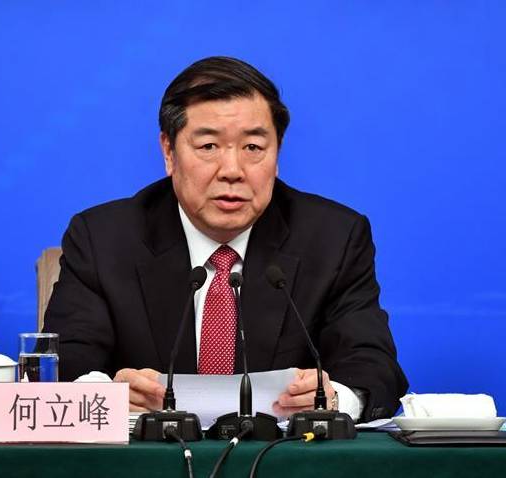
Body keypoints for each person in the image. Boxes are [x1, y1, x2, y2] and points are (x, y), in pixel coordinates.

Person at [43, 56, 408, 422]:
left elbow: (371, 366)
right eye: (208, 147)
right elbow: (65, 362)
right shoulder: (103, 238)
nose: (232, 171)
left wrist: (335, 400)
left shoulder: (333, 238)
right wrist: (106, 395)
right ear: (169, 152)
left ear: (277, 153)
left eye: (253, 148)